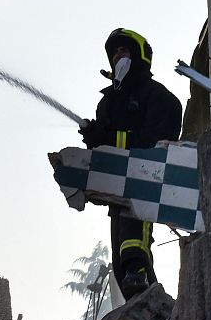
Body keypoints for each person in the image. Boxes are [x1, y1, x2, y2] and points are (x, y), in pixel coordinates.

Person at [78, 28, 182, 299]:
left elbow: (155, 141)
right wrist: (95, 138)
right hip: (116, 187)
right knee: (122, 264)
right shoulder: (107, 104)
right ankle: (148, 309)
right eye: (114, 52)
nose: (118, 55)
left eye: (123, 50)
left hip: (145, 181)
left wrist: (109, 138)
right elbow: (103, 150)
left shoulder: (158, 97)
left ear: (139, 55)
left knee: (134, 250)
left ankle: (145, 289)